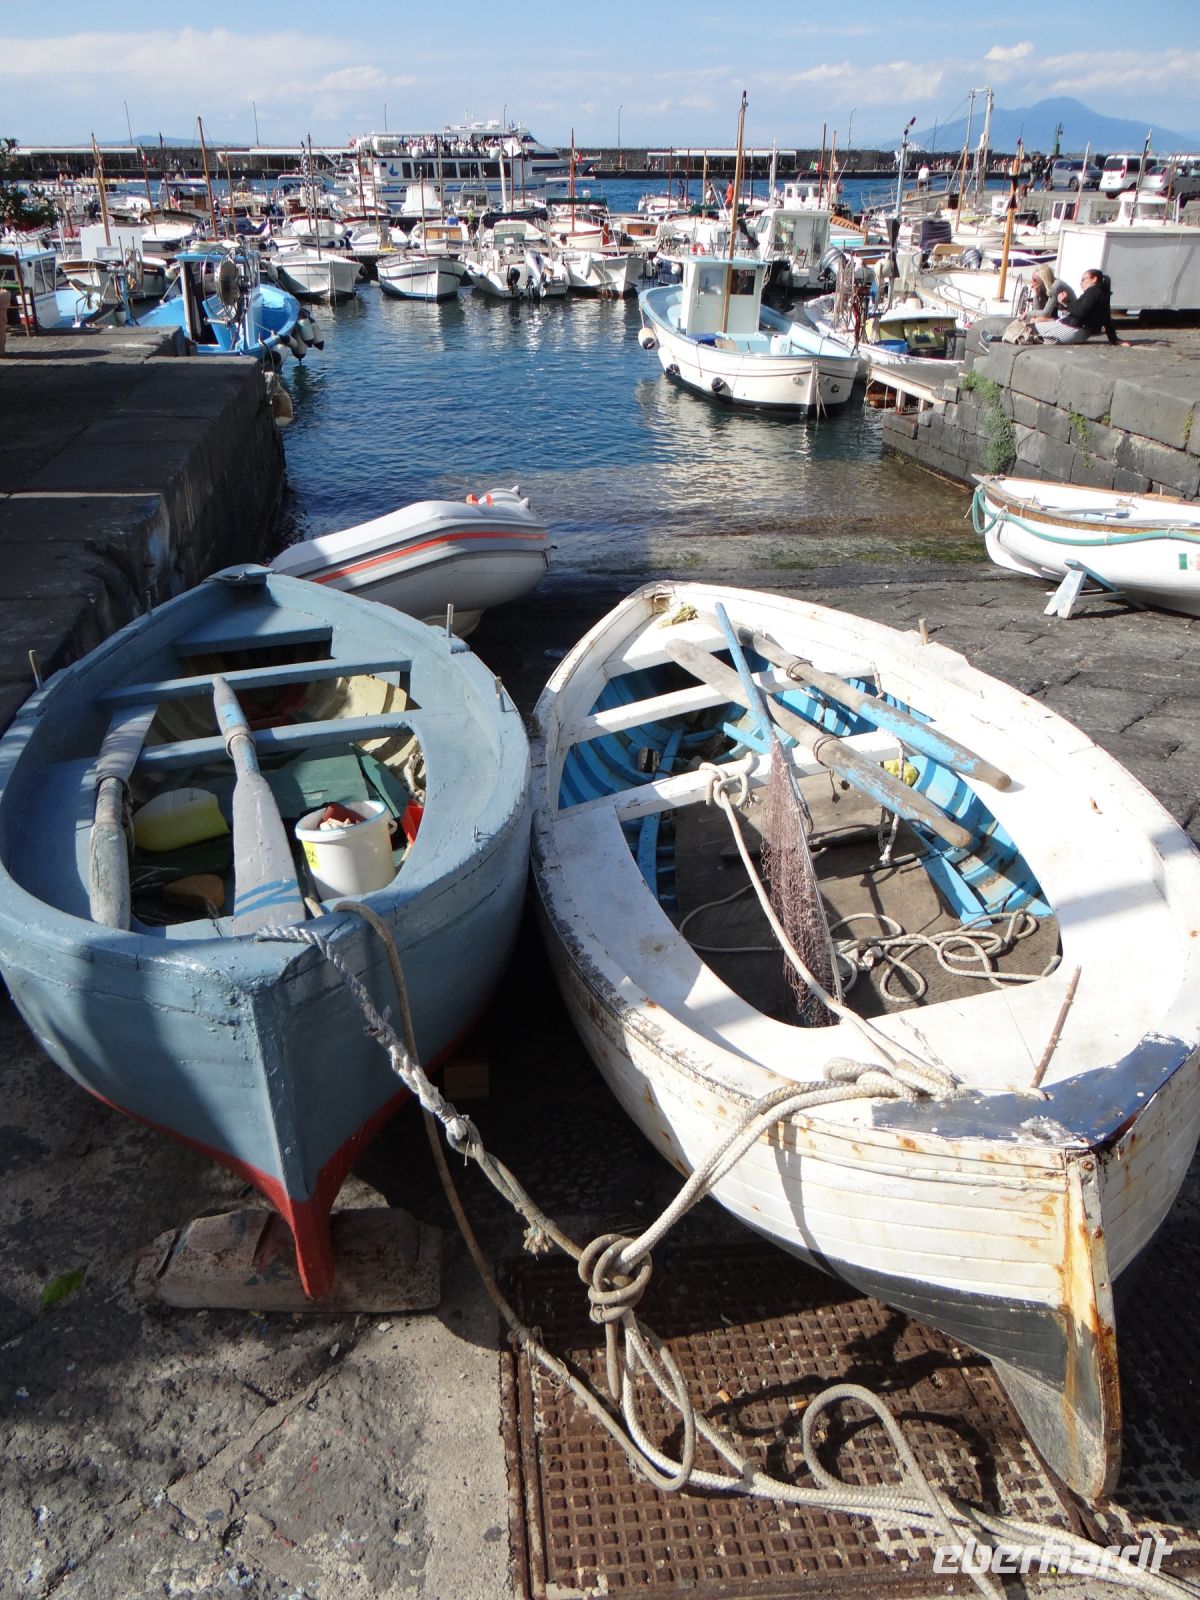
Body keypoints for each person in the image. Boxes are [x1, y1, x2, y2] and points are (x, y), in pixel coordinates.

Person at [1038, 268, 1131, 345]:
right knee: (1035, 331)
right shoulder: (1102, 294)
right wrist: (1114, 339)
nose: (1080, 283)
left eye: (1083, 280)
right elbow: (1106, 318)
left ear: (1094, 279)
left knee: (1033, 330)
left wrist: (1065, 302)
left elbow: (1080, 312)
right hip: (1081, 333)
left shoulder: (1093, 292)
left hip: (1073, 330)